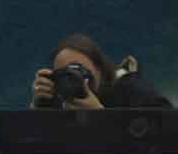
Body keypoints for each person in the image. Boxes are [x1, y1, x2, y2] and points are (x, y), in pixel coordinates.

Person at [29, 33, 173, 109]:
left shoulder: (132, 93)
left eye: (78, 70)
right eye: (64, 75)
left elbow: (168, 136)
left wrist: (99, 116)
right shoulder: (57, 101)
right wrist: (38, 108)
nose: (72, 80)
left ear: (100, 69)